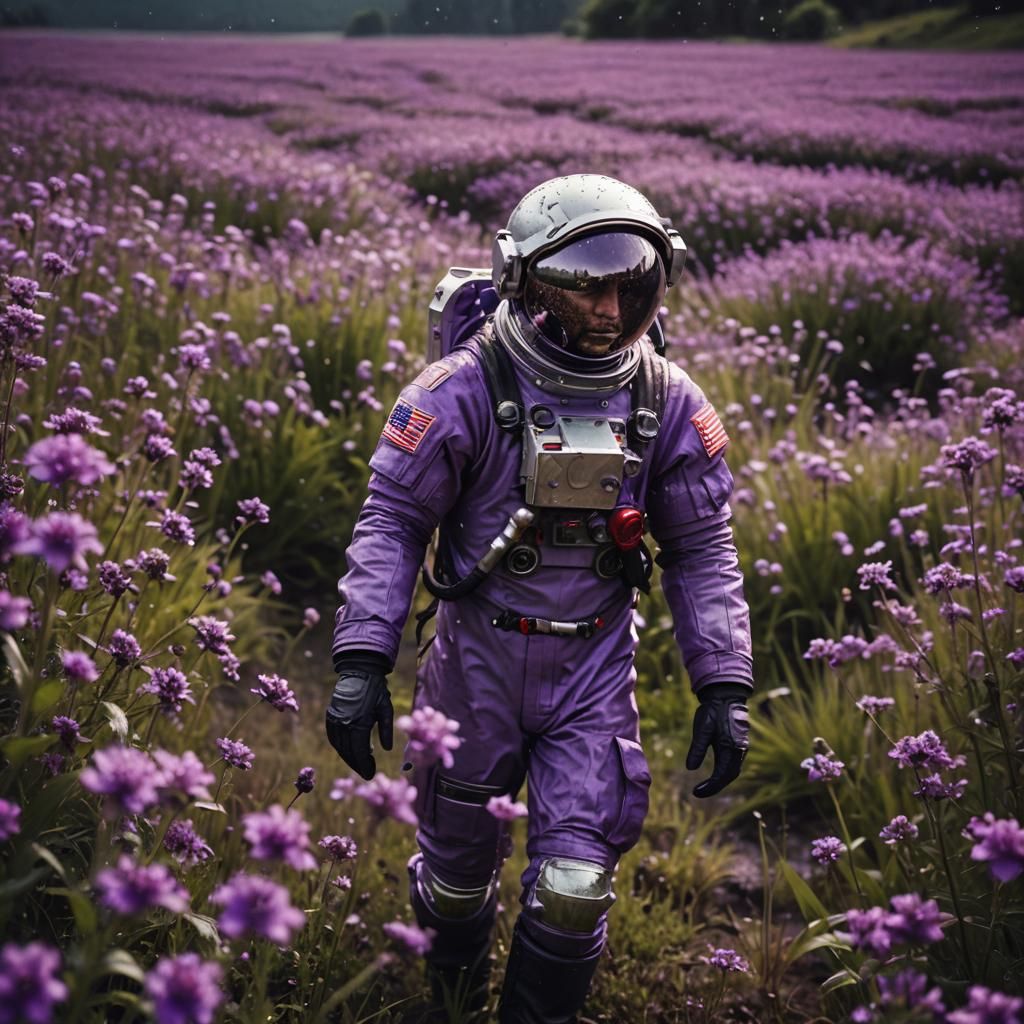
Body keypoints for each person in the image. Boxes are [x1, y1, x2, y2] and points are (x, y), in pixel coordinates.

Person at [326, 174, 753, 1024]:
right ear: (523, 281)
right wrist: (362, 656)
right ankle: (452, 998)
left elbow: (704, 548)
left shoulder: (665, 402)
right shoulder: (459, 390)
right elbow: (393, 523)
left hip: (592, 669)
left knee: (573, 887)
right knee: (452, 882)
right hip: (475, 663)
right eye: (585, 285)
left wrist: (725, 681)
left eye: (629, 286)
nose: (607, 308)